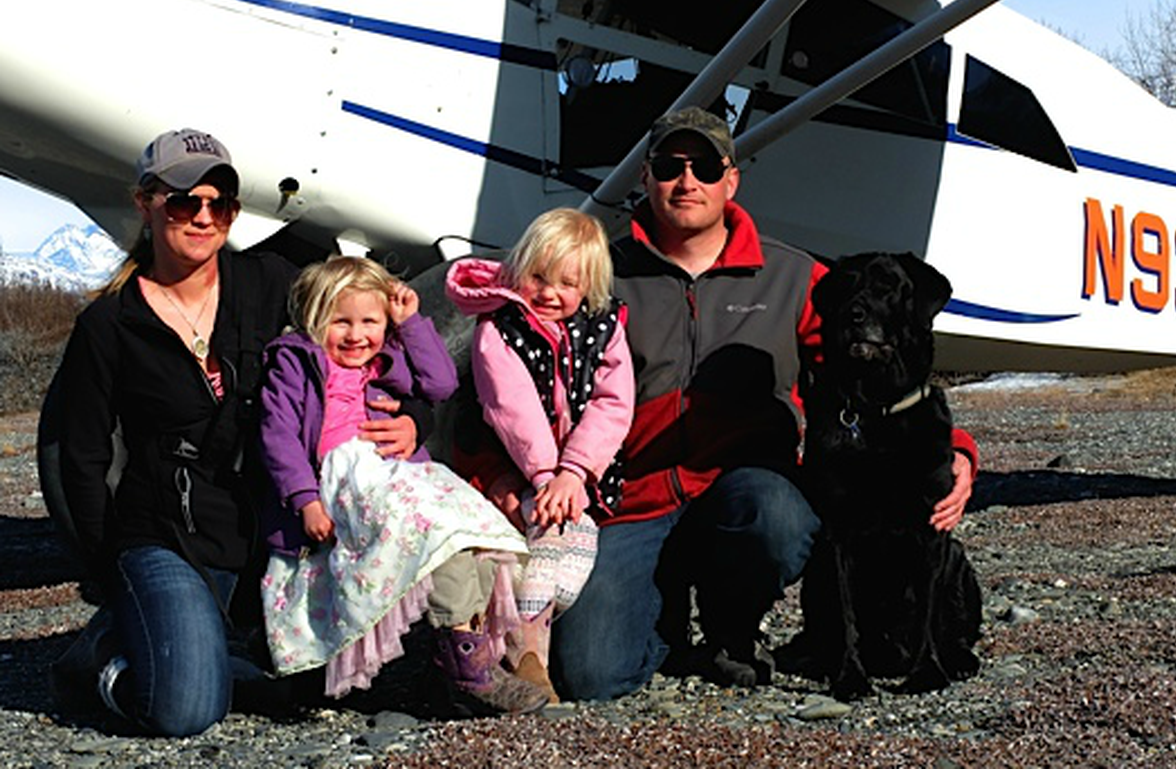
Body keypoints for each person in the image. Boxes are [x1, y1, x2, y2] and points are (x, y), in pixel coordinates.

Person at [547, 106, 979, 701]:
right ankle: (666, 620)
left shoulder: (795, 276)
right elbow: (534, 367)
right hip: (634, 500)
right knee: (592, 677)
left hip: (743, 492)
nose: (687, 180)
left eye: (705, 167)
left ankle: (733, 626)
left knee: (779, 517)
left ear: (731, 180)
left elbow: (873, 379)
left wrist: (955, 449)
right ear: (644, 177)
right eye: (669, 166)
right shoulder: (601, 275)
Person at [50, 129, 420, 736]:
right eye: (183, 202)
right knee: (186, 709)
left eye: (218, 204)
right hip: (162, 535)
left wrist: (412, 419)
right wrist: (109, 568)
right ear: (145, 204)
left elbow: (364, 343)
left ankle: (188, 638)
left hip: (265, 530)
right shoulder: (109, 323)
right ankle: (103, 654)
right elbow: (82, 455)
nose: (203, 217)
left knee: (303, 689)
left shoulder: (271, 282)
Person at [257, 256, 546, 715]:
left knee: (470, 534)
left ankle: (467, 651)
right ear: (314, 320)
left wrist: (410, 323)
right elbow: (279, 436)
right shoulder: (295, 362)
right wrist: (305, 500)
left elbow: (441, 382)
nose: (356, 335)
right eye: (340, 322)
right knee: (437, 534)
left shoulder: (386, 359)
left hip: (400, 470)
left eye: (369, 322)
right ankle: (464, 665)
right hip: (344, 477)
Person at [444, 208, 635, 703]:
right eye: (539, 278)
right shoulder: (499, 327)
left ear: (588, 285)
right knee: (535, 535)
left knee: (575, 545)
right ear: (519, 269)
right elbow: (512, 407)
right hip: (519, 464)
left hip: (577, 473)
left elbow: (613, 402)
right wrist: (547, 473)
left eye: (568, 283)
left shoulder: (604, 327)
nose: (550, 293)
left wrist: (574, 471)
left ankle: (519, 633)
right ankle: (530, 656)